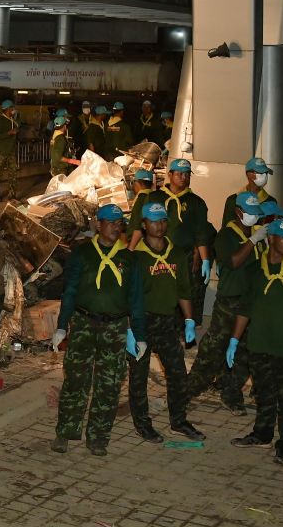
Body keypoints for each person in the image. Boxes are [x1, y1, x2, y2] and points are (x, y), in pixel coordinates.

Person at [51, 204, 146, 456]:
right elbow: (70, 291)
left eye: (119, 223)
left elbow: (136, 298)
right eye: (111, 222)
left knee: (110, 383)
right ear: (98, 224)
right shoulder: (82, 254)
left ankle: (98, 437)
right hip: (83, 323)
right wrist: (62, 326)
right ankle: (65, 432)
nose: (116, 227)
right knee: (76, 380)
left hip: (115, 327)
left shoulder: (130, 258)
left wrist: (140, 335)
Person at [227, 219, 283, 465]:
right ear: (271, 239)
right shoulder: (255, 270)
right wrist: (234, 339)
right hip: (259, 344)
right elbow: (245, 308)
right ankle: (262, 434)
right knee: (264, 392)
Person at [129, 202, 205, 443]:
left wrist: (189, 320)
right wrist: (130, 329)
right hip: (141, 321)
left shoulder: (176, 254)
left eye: (162, 221)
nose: (159, 226)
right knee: (138, 376)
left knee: (177, 372)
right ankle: (143, 424)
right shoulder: (136, 257)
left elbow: (183, 290)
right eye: (154, 221)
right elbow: (128, 295)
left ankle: (179, 421)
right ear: (144, 224)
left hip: (167, 321)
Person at [188, 192, 264, 415]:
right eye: (249, 212)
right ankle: (189, 388)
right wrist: (253, 241)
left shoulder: (258, 234)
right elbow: (233, 261)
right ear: (238, 212)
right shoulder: (226, 236)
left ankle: (230, 392)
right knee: (214, 348)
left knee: (245, 352)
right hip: (230, 301)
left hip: (251, 301)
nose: (254, 217)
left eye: (256, 213)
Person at [128, 158, 212, 324]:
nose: (184, 177)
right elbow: (139, 225)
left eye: (187, 174)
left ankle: (183, 327)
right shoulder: (154, 197)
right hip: (155, 254)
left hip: (184, 256)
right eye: (179, 174)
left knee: (184, 290)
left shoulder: (196, 202)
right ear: (170, 174)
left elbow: (201, 233)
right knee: (157, 290)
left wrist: (205, 259)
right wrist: (130, 251)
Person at [221, 157, 278, 228]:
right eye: (260, 173)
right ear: (248, 174)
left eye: (266, 173)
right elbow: (226, 228)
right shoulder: (233, 201)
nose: (265, 176)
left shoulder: (271, 201)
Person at [0, 99, 19, 201]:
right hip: (1, 152)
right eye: (12, 108)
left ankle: (12, 196)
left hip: (11, 151)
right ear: (8, 109)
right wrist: (9, 133)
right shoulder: (0, 121)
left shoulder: (13, 120)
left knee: (13, 174)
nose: (13, 110)